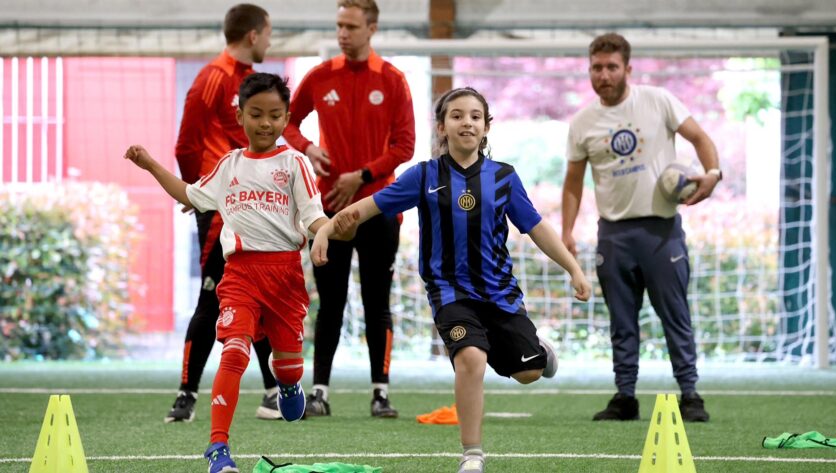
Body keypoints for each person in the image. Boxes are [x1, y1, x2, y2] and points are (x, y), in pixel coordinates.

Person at [311, 87, 591, 473]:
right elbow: (372, 205)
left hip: (499, 295)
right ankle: (472, 455)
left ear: (487, 128)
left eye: (475, 116)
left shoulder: (504, 178)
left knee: (528, 372)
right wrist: (326, 229)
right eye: (457, 116)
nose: (467, 123)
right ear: (442, 127)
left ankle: (536, 347)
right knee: (471, 358)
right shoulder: (424, 176)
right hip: (448, 292)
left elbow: (537, 228)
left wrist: (573, 268)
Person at [126, 73, 356, 473]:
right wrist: (149, 165)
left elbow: (314, 217)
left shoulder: (295, 163)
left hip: (284, 278)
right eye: (256, 114)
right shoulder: (229, 165)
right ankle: (218, 449)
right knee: (233, 352)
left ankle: (287, 382)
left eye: (274, 115)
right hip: (240, 276)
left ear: (286, 118)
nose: (265, 123)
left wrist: (328, 233)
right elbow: (190, 195)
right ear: (240, 116)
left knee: (288, 364)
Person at [562, 33, 721, 423]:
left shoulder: (658, 100)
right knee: (621, 321)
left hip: (661, 231)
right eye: (597, 68)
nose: (604, 75)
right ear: (590, 71)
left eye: (612, 67)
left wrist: (713, 174)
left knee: (675, 315)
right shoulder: (582, 123)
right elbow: (572, 182)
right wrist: (566, 232)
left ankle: (690, 395)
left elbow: (700, 138)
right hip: (613, 234)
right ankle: (625, 397)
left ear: (627, 69)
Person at [283, 0, 415, 418]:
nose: (343, 33)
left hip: (378, 209)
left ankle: (380, 393)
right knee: (330, 302)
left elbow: (405, 146)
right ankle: (319, 392)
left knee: (377, 301)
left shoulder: (392, 80)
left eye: (351, 26)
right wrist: (307, 147)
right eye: (339, 25)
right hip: (329, 210)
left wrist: (362, 174)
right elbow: (287, 122)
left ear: (371, 28)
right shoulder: (321, 76)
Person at [167, 3, 280, 423]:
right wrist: (196, 191)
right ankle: (186, 397)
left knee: (263, 296)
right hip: (222, 214)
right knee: (212, 298)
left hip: (259, 209)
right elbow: (186, 144)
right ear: (253, 35)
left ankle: (275, 393)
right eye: (268, 33)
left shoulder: (252, 82)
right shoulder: (213, 77)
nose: (271, 41)